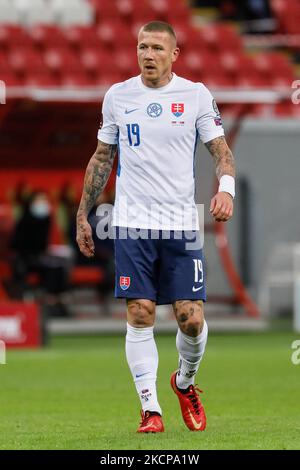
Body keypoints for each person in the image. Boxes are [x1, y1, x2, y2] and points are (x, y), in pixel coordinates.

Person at [76, 21, 235, 433]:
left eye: (157, 49)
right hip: (131, 224)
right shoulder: (118, 96)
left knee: (191, 319)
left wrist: (227, 190)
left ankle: (184, 383)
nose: (148, 55)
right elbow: (101, 158)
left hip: (181, 226)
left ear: (174, 55)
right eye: (142, 47)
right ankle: (151, 410)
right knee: (141, 311)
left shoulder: (195, 95)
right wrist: (82, 214)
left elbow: (221, 152)